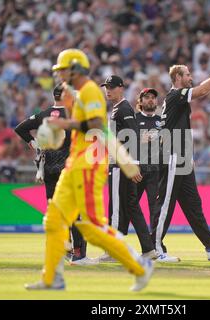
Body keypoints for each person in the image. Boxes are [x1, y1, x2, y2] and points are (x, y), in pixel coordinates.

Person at [25, 49, 154, 291]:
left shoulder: (91, 90)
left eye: (63, 69)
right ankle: (52, 278)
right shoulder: (78, 93)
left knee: (92, 228)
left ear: (76, 68)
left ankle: (139, 265)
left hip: (88, 167)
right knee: (53, 221)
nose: (60, 74)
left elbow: (96, 125)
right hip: (74, 165)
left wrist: (65, 122)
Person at [152, 50, 210, 262]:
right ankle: (154, 249)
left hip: (182, 157)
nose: (190, 78)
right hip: (172, 155)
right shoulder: (175, 95)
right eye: (187, 75)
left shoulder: (178, 100)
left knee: (193, 204)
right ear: (177, 78)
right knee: (165, 203)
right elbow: (203, 91)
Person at [14, 84, 96, 266]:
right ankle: (79, 254)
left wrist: (34, 145)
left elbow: (20, 128)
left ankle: (63, 249)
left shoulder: (43, 114)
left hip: (50, 168)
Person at [98, 75, 157, 262]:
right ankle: (148, 249)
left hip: (119, 165)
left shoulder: (122, 108)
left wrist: (134, 165)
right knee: (131, 206)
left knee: (115, 207)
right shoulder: (120, 108)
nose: (108, 90)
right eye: (106, 87)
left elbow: (133, 137)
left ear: (121, 88)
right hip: (124, 164)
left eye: (112, 87)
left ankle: (113, 250)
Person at [135, 88, 162, 239]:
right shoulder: (133, 118)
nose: (151, 100)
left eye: (153, 97)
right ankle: (117, 244)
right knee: (130, 206)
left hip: (155, 171)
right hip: (137, 170)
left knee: (155, 208)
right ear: (140, 101)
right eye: (147, 97)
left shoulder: (161, 121)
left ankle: (155, 243)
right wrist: (144, 139)